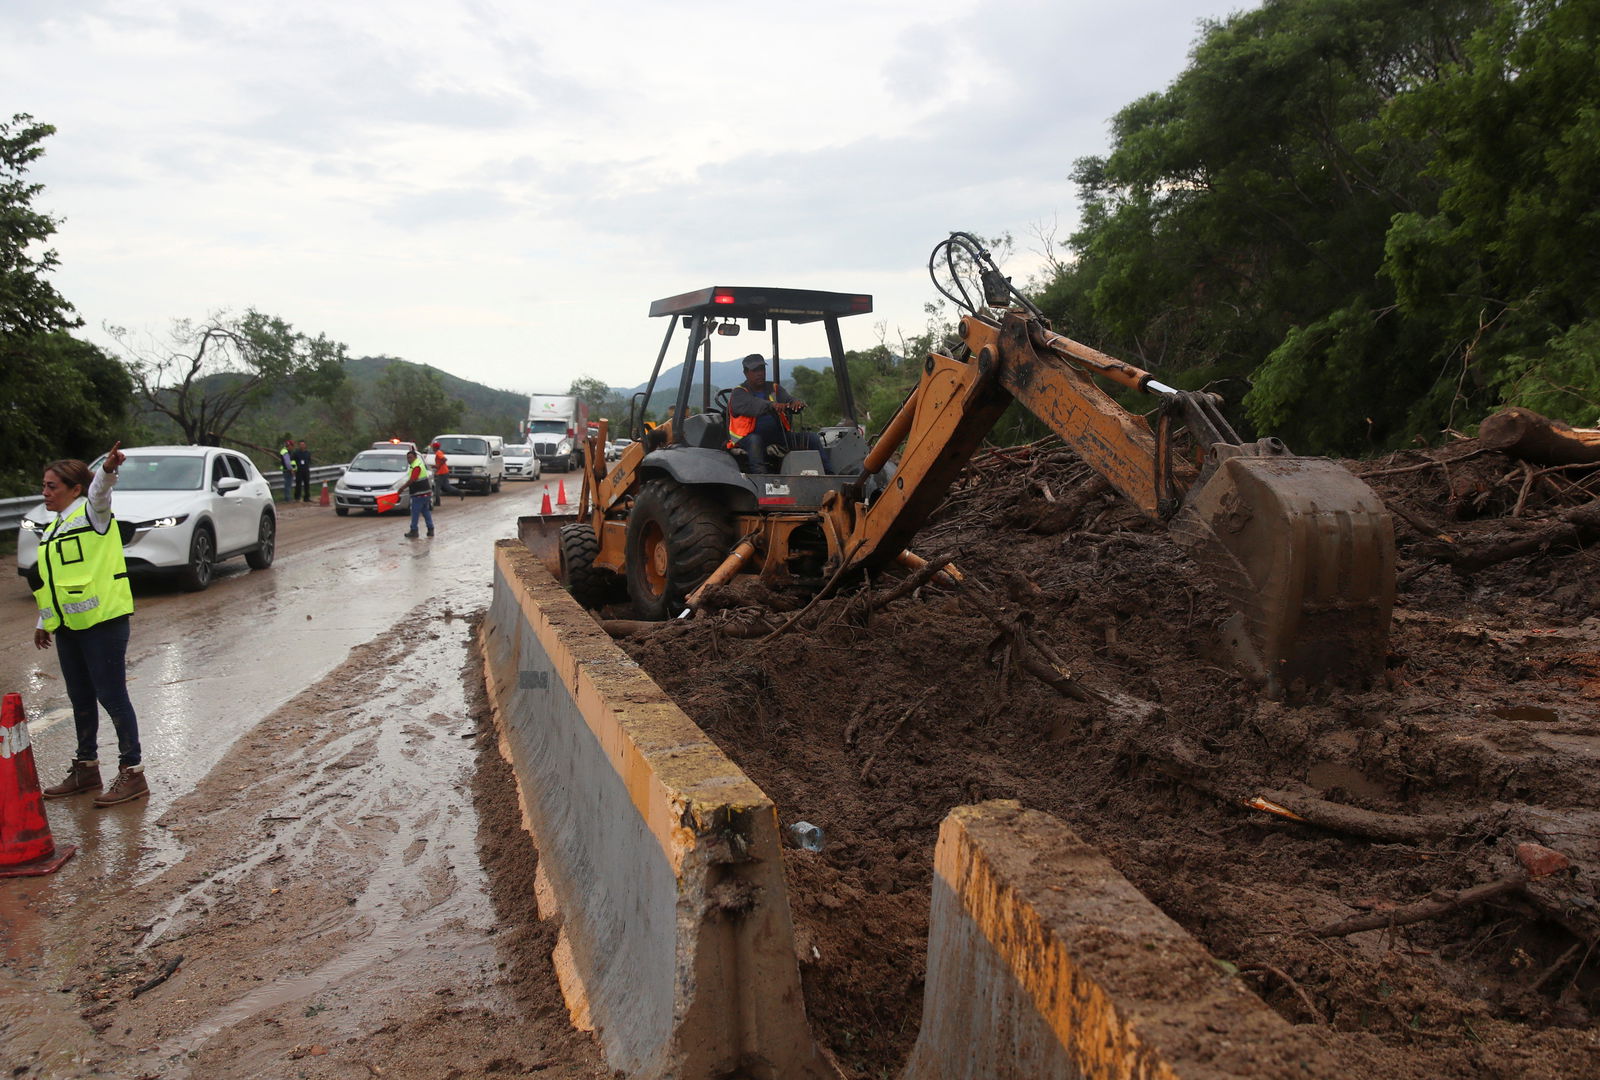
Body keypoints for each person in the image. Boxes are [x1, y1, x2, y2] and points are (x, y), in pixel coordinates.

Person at [33, 441, 149, 807]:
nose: (45, 492)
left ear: (75, 489)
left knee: (111, 696)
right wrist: (44, 620)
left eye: (52, 486)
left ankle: (133, 773)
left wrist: (109, 470)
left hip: (103, 622)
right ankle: (86, 768)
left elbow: (101, 491)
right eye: (44, 485)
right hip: (70, 626)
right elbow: (55, 580)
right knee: (80, 697)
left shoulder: (92, 515)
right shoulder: (53, 527)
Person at [727, 353, 832, 475]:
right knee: (755, 440)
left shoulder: (774, 388)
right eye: (755, 370)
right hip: (745, 438)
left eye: (762, 369)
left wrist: (794, 404)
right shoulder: (739, 393)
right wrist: (772, 405)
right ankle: (761, 477)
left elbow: (787, 399)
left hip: (778, 435)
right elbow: (754, 405)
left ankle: (829, 475)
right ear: (746, 373)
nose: (760, 373)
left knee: (812, 438)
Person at [403, 448, 434, 538]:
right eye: (408, 458)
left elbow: (412, 479)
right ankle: (430, 529)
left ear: (415, 457)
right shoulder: (418, 464)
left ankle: (414, 531)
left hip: (419, 494)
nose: (409, 459)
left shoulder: (416, 466)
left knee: (415, 512)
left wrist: (402, 488)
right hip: (426, 492)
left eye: (410, 457)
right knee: (425, 511)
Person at [431, 441, 458, 506]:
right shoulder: (439, 452)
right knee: (447, 486)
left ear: (434, 447)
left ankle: (437, 502)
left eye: (432, 447)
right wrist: (436, 466)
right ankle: (460, 492)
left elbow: (444, 459)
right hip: (444, 471)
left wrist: (438, 466)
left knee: (437, 487)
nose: (432, 448)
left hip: (442, 472)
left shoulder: (438, 453)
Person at [278, 433, 294, 501]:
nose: (292, 447)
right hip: (287, 470)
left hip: (285, 470)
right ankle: (287, 498)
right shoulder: (286, 451)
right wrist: (291, 469)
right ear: (289, 445)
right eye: (292, 445)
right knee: (288, 484)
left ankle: (287, 497)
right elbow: (287, 462)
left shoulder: (284, 451)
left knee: (287, 484)